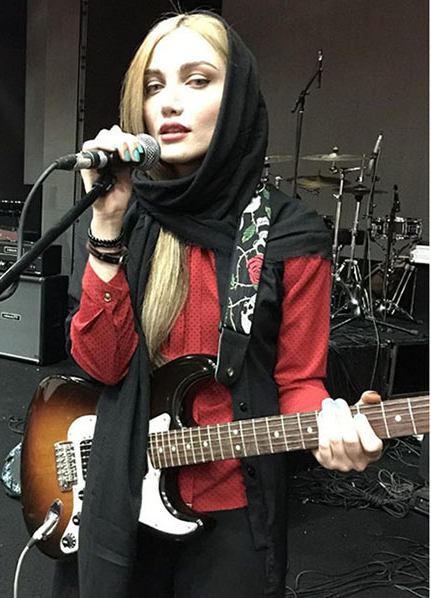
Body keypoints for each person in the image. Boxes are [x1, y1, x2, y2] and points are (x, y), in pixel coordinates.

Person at [55, 11, 383, 598]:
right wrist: (105, 226)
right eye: (154, 86)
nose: (169, 102)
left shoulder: (291, 235)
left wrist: (331, 426)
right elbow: (103, 367)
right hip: (121, 494)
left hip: (233, 503)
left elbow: (299, 382)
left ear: (237, 100)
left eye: (198, 80)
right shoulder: (129, 215)